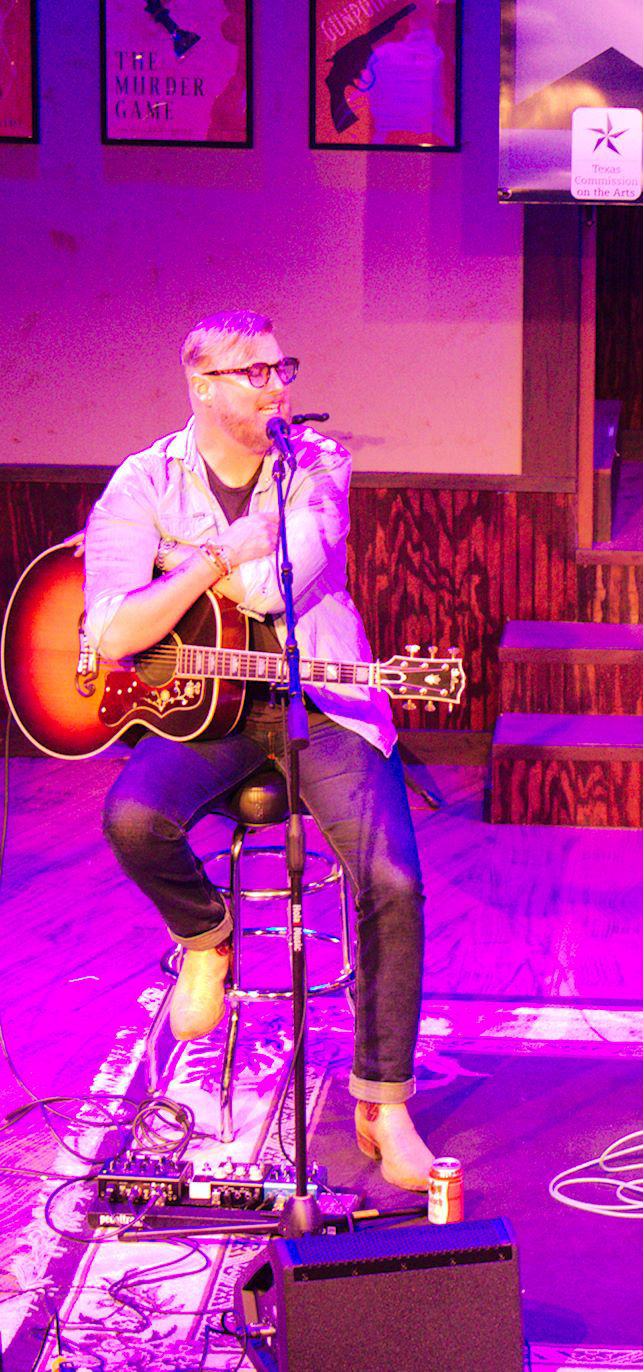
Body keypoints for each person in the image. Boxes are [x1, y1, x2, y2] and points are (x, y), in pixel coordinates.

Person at [85, 309, 435, 1190]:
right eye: (256, 372)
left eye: (285, 368)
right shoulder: (141, 484)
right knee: (132, 818)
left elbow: (278, 589)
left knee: (393, 879)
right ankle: (206, 938)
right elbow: (114, 631)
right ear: (202, 386)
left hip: (319, 697)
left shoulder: (316, 466)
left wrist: (205, 569)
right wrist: (207, 561)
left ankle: (383, 1100)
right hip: (202, 714)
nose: (280, 385)